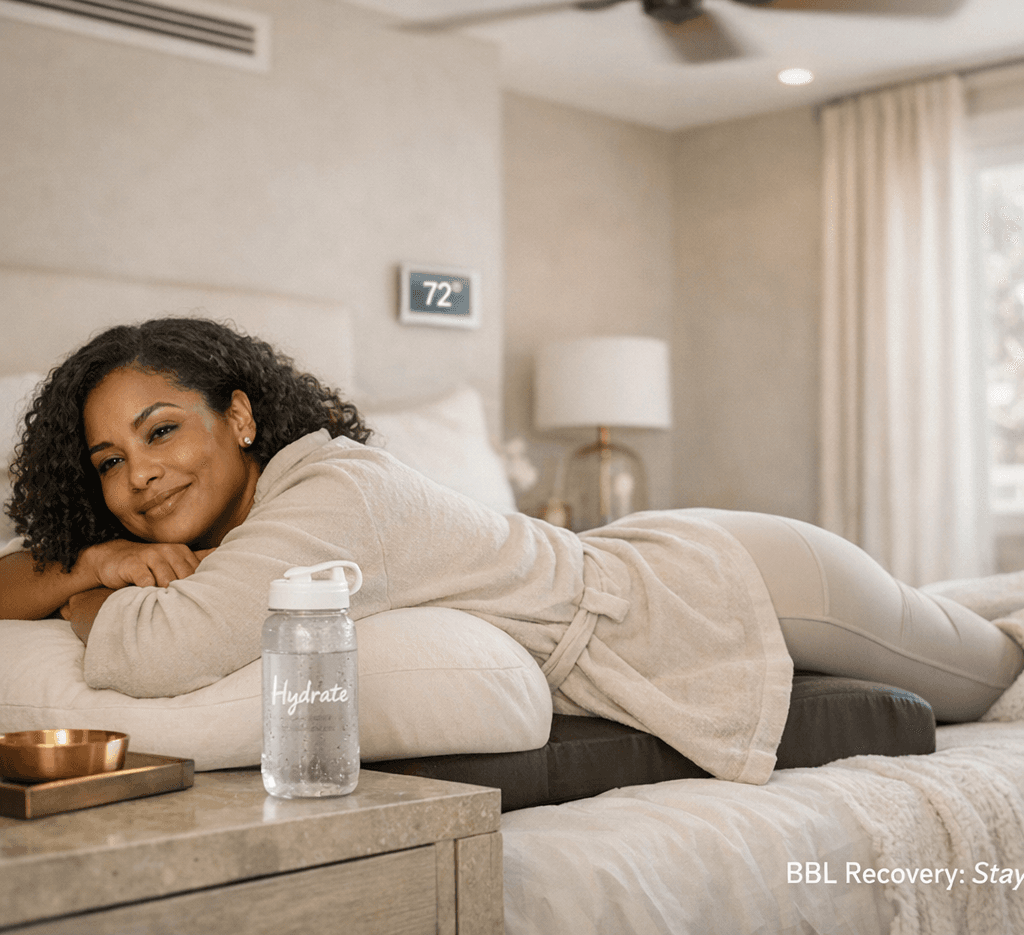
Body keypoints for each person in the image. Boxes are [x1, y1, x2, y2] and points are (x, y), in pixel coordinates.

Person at [1, 318, 1022, 786]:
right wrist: (91, 562)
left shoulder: (330, 494)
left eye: (162, 431)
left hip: (730, 579)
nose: (140, 475)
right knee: (953, 622)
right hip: (663, 571)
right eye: (109, 461)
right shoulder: (248, 529)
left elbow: (157, 652)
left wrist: (87, 594)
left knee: (987, 673)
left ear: (237, 416)